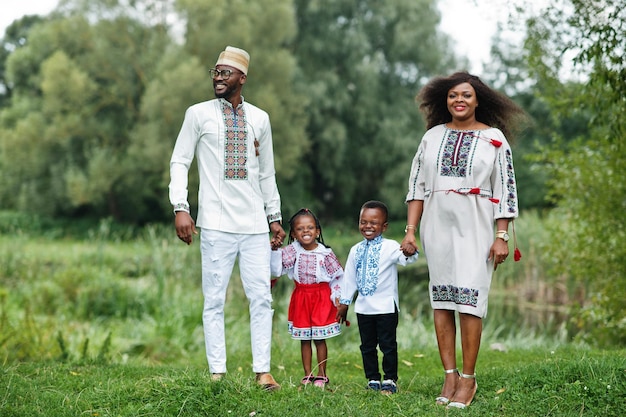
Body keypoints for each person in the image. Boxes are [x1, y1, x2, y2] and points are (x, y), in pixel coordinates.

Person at [401, 71, 524, 408]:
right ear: (446, 100)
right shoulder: (432, 137)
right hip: (437, 223)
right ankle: (449, 374)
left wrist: (501, 236)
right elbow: (417, 187)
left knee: (470, 301)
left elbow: (506, 191)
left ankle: (468, 379)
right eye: (453, 95)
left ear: (477, 100)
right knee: (442, 299)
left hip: (478, 223)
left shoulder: (495, 139)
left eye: (466, 95)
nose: (459, 100)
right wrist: (410, 231)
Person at [169, 46, 285, 391]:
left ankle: (263, 371)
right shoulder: (198, 114)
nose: (218, 78)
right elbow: (179, 161)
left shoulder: (260, 118)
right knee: (214, 299)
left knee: (261, 298)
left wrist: (274, 217)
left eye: (225, 73)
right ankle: (217, 371)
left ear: (242, 78)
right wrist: (181, 207)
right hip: (216, 222)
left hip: (253, 226)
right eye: (215, 72)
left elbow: (267, 173)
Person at [336, 200, 418, 395]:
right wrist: (345, 303)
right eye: (363, 222)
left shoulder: (390, 246)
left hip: (386, 308)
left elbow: (406, 259)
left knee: (388, 345)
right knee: (367, 346)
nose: (368, 226)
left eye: (374, 223)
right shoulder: (355, 250)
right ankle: (373, 378)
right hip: (364, 308)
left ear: (384, 226)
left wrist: (410, 251)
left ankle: (390, 379)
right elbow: (349, 279)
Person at [270, 208, 344, 388]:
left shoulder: (325, 253)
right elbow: (276, 269)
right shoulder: (292, 251)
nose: (306, 231)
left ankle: (322, 374)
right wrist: (274, 250)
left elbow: (338, 276)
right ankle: (307, 374)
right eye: (300, 229)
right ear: (294, 234)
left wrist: (338, 296)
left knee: (319, 338)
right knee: (305, 338)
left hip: (321, 297)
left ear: (317, 231)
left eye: (310, 227)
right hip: (301, 297)